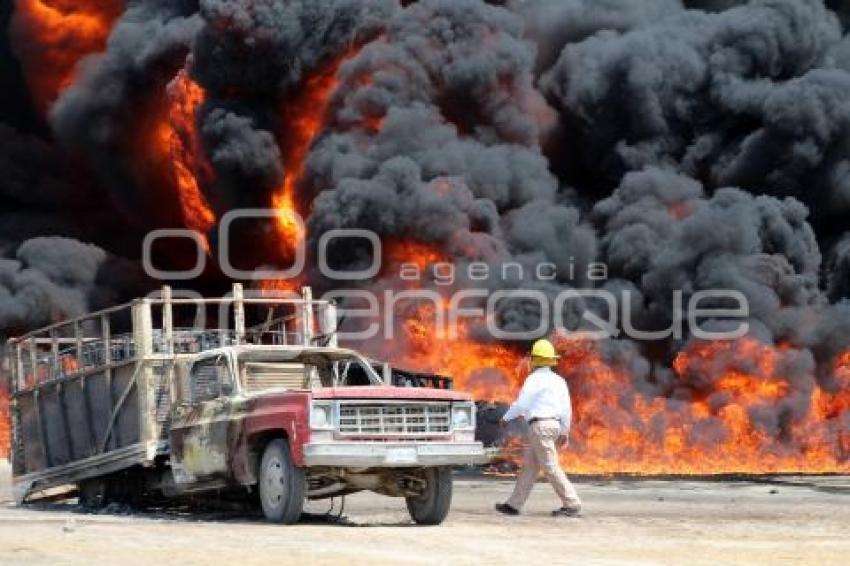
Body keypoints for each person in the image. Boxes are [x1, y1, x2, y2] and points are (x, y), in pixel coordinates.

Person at [495, 339, 582, 517]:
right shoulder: (559, 381)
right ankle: (514, 505)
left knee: (550, 466)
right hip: (555, 425)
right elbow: (567, 409)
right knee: (530, 467)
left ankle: (572, 503)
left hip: (540, 427)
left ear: (535, 360)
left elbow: (522, 405)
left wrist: (506, 417)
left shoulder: (534, 379)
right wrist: (565, 431)